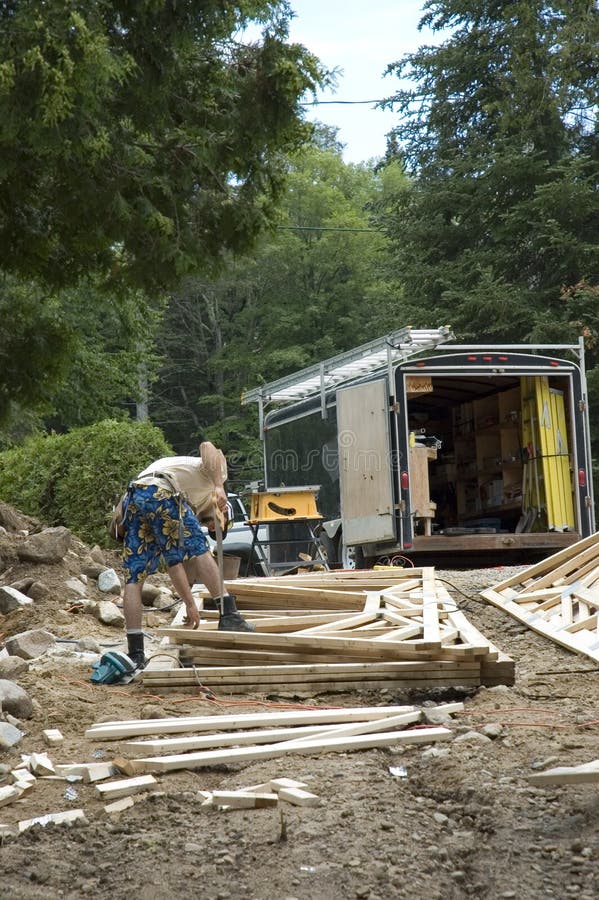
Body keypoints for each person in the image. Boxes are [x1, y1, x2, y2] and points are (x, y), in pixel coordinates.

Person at [121, 441, 255, 669]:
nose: (211, 527)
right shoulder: (214, 478)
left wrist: (190, 604)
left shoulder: (185, 506)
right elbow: (207, 446)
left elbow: (174, 564)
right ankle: (229, 615)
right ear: (220, 509)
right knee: (199, 549)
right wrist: (219, 486)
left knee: (135, 576)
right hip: (161, 489)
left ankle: (135, 653)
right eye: (214, 523)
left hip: (135, 497)